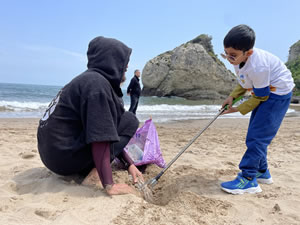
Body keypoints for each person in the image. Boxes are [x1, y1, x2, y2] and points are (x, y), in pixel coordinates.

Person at [37, 36, 144, 196]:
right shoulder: (97, 85)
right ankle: (95, 175)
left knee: (120, 120)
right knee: (129, 120)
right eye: (123, 61)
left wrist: (129, 164)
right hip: (64, 159)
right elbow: (101, 138)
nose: (126, 66)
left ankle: (95, 168)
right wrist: (109, 184)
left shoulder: (87, 80)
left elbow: (110, 132)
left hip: (51, 155)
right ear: (111, 62)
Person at [220, 24, 295, 194]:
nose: (230, 59)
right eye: (227, 54)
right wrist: (232, 97)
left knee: (258, 137)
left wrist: (236, 109)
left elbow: (261, 96)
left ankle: (248, 179)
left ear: (248, 53)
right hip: (265, 92)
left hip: (277, 94)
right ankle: (262, 172)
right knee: (255, 134)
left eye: (233, 56)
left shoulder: (258, 66)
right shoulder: (237, 59)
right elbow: (244, 81)